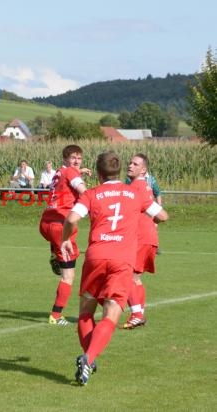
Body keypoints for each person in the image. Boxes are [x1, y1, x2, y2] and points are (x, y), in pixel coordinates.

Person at [60, 151, 168, 385]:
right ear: (118, 171)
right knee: (111, 314)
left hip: (96, 257)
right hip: (122, 260)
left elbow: (71, 219)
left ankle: (88, 358)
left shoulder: (92, 193)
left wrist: (66, 240)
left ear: (98, 173)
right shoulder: (134, 193)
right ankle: (88, 358)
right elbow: (162, 215)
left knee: (86, 312)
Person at [39, 145, 89, 325]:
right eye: (73, 158)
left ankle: (54, 252)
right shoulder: (71, 173)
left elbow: (67, 181)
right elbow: (84, 191)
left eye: (79, 158)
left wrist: (79, 171)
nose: (76, 161)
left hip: (46, 223)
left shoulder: (59, 172)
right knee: (68, 276)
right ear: (65, 159)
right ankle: (56, 316)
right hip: (61, 226)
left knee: (64, 263)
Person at [123, 154, 160, 329]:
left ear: (143, 169)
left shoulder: (136, 187)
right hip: (149, 237)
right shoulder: (144, 186)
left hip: (140, 238)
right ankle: (138, 314)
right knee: (135, 278)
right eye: (130, 162)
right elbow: (157, 213)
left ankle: (137, 314)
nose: (130, 165)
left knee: (127, 275)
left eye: (135, 164)